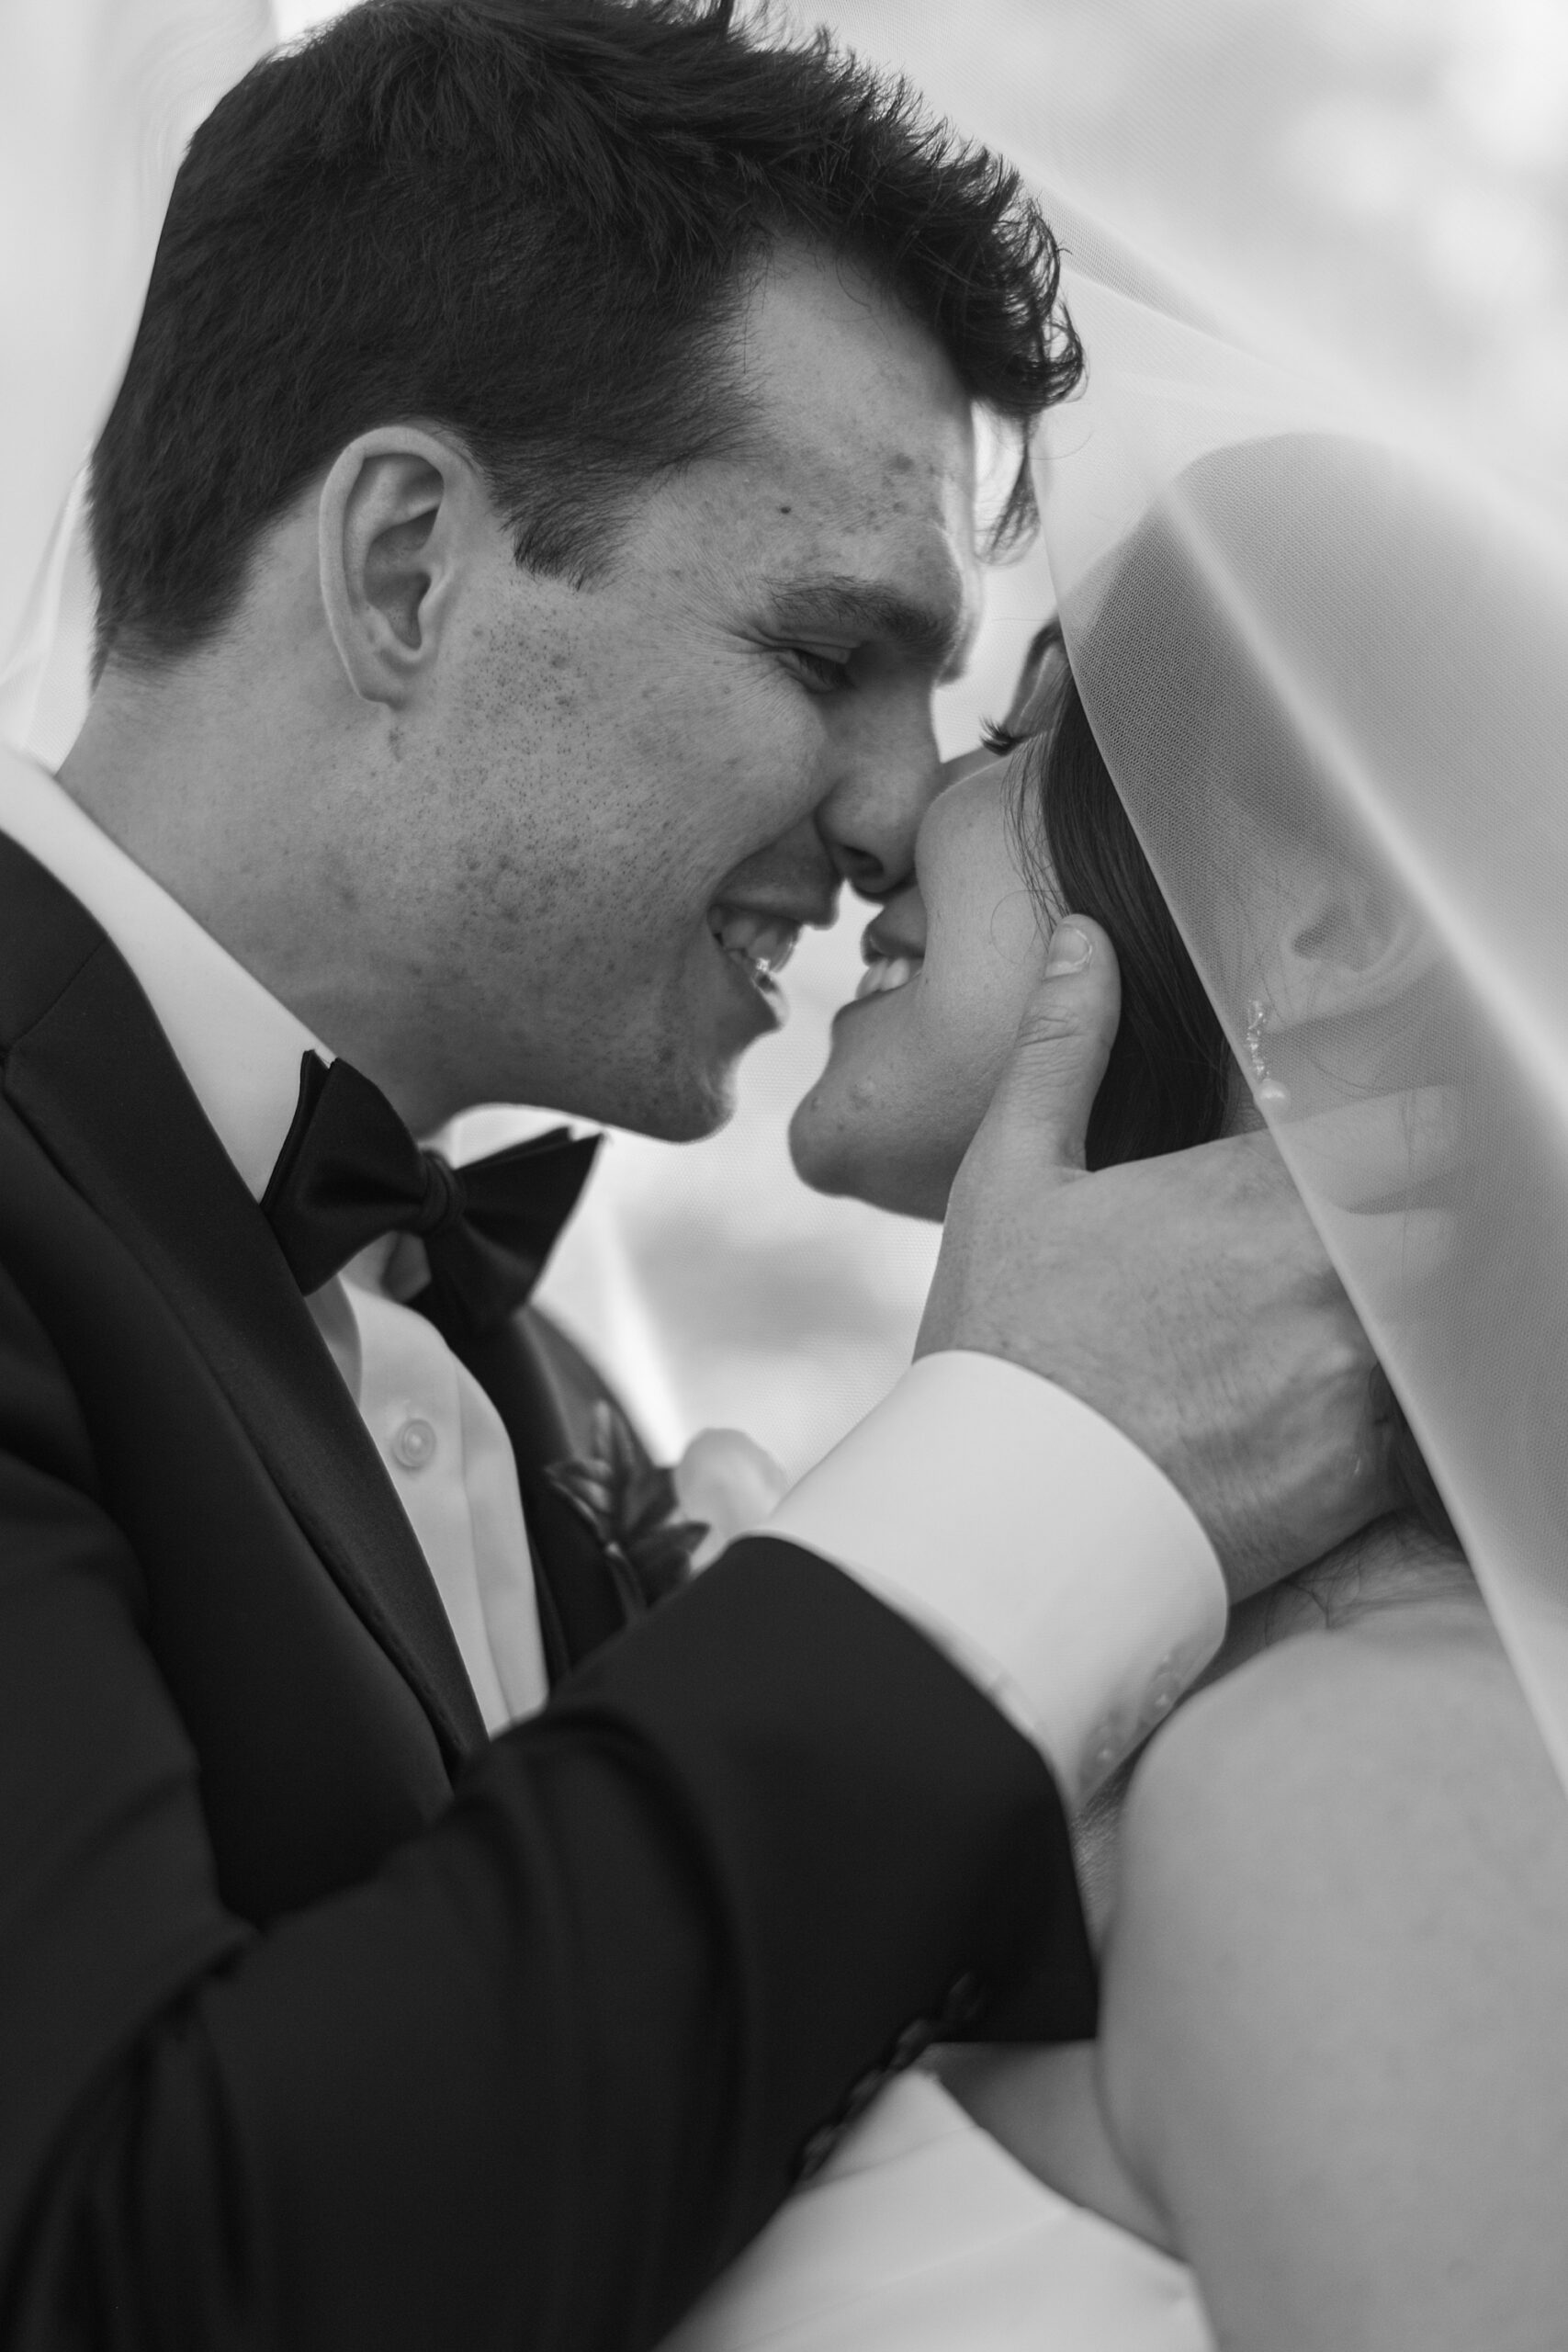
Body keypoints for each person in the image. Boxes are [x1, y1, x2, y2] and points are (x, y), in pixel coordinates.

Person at [0, 6, 1401, 2346]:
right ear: (412, 566)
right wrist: (1033, 1473)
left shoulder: (512, 1363)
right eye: (830, 646)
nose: (890, 815)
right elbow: (131, 2269)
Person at [663, 430, 1568, 2351]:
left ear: (1325, 922)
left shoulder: (1359, 1779)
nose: (907, 808)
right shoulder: (1173, 1705)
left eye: (1024, 740)